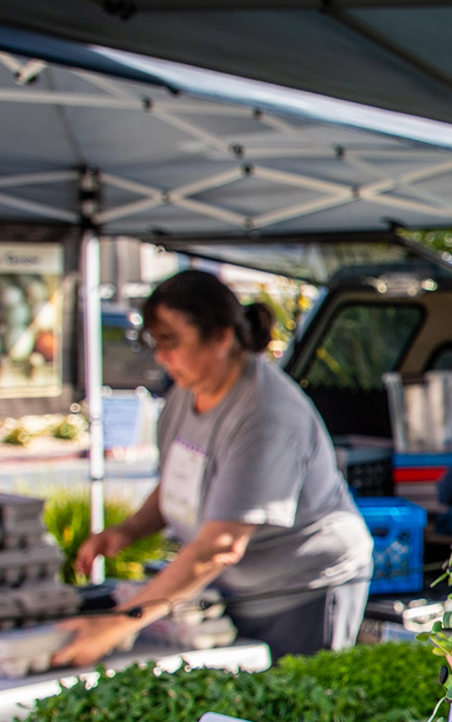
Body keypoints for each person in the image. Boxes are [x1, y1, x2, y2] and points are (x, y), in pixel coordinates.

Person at [53, 270, 372, 666]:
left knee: (294, 697)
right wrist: (128, 530)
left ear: (221, 337)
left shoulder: (266, 415)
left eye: (171, 342)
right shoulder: (184, 394)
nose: (161, 357)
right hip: (233, 589)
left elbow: (220, 547)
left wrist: (118, 625)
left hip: (302, 588)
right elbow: (182, 484)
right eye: (156, 344)